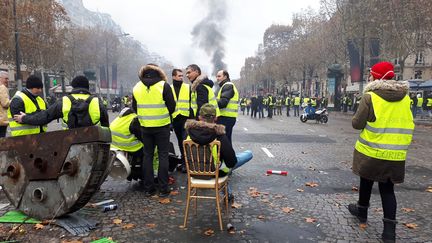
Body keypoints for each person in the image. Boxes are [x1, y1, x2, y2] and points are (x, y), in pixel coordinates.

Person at [348, 62, 414, 243]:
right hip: (396, 153)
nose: (369, 77)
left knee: (366, 179)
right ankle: (389, 232)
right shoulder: (405, 98)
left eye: (371, 74)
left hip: (371, 150)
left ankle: (362, 211)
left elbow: (357, 124)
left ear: (377, 77)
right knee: (387, 189)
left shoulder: (370, 97)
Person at [132, 64, 176, 197]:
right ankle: (163, 188)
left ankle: (148, 188)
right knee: (163, 156)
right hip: (162, 126)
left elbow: (135, 107)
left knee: (148, 156)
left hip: (145, 126)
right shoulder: (164, 86)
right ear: (159, 73)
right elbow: (172, 107)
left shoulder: (136, 87)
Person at [13, 75, 109, 129]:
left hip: (70, 143)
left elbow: (45, 117)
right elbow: (106, 126)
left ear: (73, 87)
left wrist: (24, 118)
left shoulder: (65, 101)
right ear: (87, 87)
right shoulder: (97, 102)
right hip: (94, 143)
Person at [110, 107, 143, 181]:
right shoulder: (134, 119)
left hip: (114, 146)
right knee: (149, 149)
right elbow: (141, 136)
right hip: (130, 146)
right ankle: (150, 173)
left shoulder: (118, 119)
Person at [170, 68, 191, 173]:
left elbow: (192, 102)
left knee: (184, 141)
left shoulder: (188, 87)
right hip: (175, 119)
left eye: (182, 76)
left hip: (186, 118)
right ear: (173, 77)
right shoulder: (169, 88)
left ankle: (185, 163)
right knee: (179, 141)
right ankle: (184, 161)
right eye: (179, 76)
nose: (182, 77)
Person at [215, 69, 238, 143]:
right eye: (216, 76)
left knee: (224, 142)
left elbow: (223, 103)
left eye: (219, 76)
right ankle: (228, 154)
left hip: (225, 118)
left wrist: (212, 101)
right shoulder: (226, 86)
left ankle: (228, 155)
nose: (217, 78)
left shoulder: (228, 85)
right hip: (228, 117)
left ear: (225, 76)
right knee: (226, 141)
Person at [0, 71, 10, 137]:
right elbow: (5, 103)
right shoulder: (2, 87)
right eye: (6, 78)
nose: (7, 80)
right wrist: (14, 100)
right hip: (1, 120)